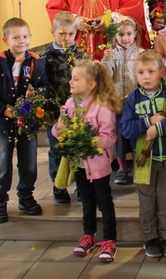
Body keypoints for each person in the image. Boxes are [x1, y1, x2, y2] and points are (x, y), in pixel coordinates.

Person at [121, 51, 166, 258]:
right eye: (140, 72)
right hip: (144, 159)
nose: (145, 76)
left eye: (150, 71)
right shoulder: (132, 100)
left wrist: (160, 129)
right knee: (147, 199)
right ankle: (150, 238)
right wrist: (148, 122)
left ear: (161, 72)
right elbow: (125, 128)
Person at [0, 17, 49, 224]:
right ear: (5, 40)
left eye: (25, 36)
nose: (22, 41)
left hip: (28, 123)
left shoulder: (36, 62)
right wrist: (5, 110)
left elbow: (44, 87)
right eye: (16, 37)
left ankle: (26, 196)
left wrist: (36, 97)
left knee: (29, 163)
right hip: (4, 123)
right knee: (3, 164)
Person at [53, 60, 119, 263]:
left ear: (91, 84)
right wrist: (60, 127)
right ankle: (88, 235)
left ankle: (109, 240)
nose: (70, 82)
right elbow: (58, 131)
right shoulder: (71, 103)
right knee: (86, 201)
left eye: (76, 78)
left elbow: (109, 136)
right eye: (71, 78)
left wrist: (88, 141)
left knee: (104, 201)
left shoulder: (102, 106)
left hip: (98, 164)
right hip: (79, 164)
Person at [41, 11, 87, 204]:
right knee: (56, 148)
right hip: (55, 111)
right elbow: (43, 83)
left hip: (78, 109)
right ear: (53, 32)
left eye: (70, 34)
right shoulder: (46, 57)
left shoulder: (81, 54)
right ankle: (58, 186)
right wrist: (48, 107)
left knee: (79, 146)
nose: (66, 38)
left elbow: (87, 79)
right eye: (62, 34)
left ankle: (82, 184)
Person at [103, 16, 145, 185]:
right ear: (115, 37)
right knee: (119, 135)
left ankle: (137, 166)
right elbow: (106, 76)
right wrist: (106, 60)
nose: (125, 38)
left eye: (128, 34)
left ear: (135, 34)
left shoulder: (142, 53)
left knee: (137, 133)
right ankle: (121, 168)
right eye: (121, 35)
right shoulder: (111, 54)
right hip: (118, 102)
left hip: (137, 101)